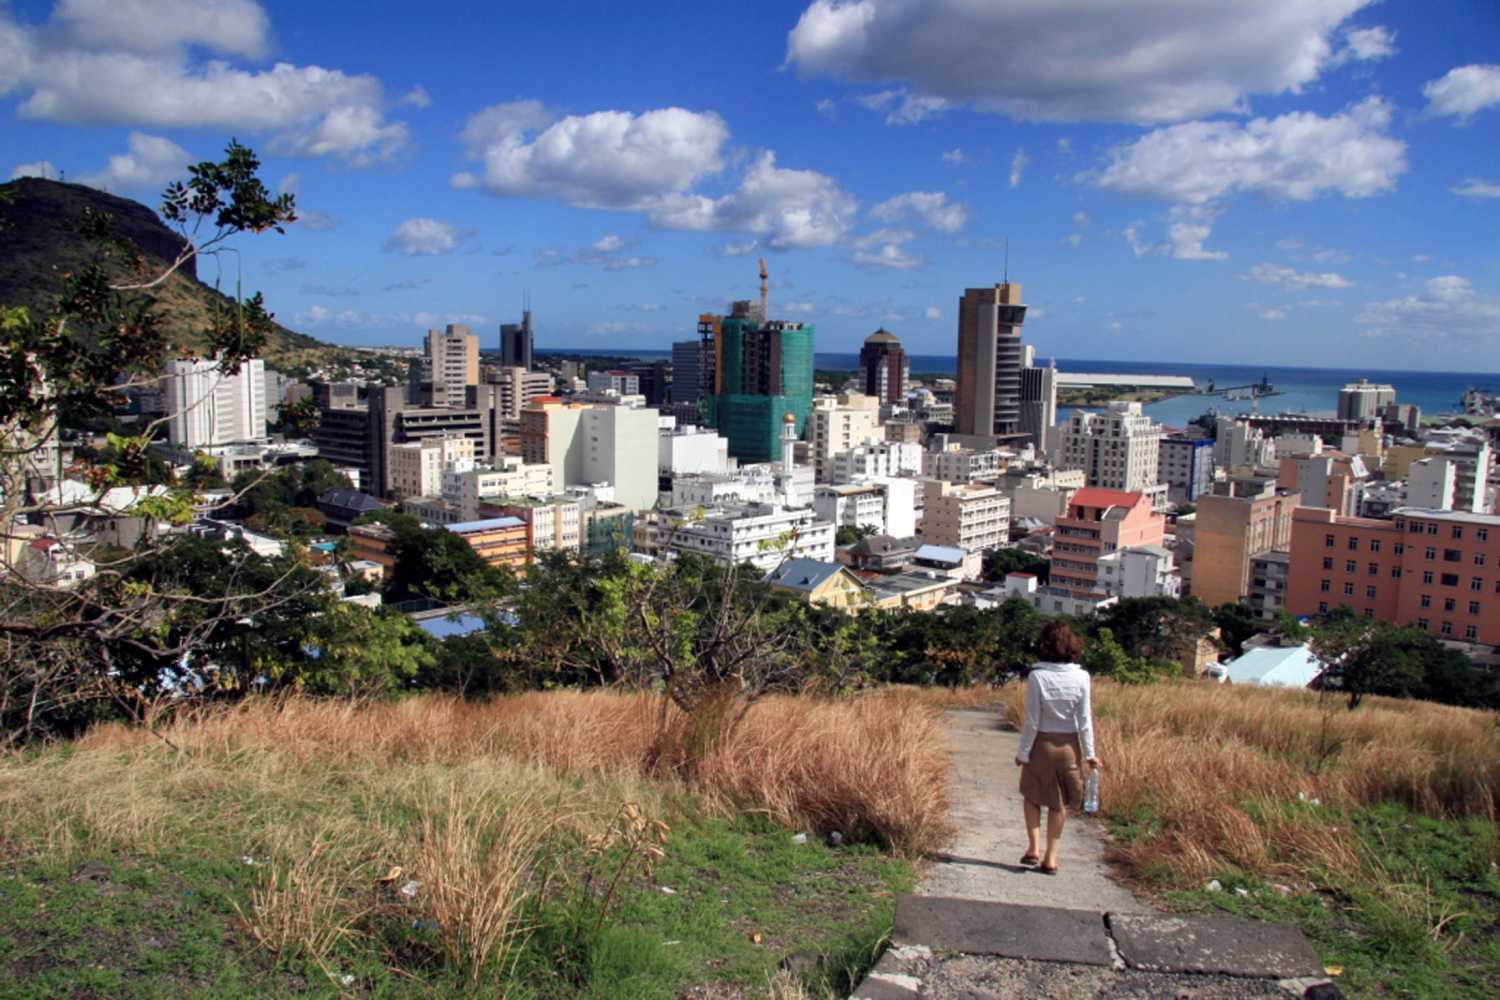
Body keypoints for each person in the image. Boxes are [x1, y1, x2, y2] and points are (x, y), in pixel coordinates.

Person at [1014, 622, 1100, 875]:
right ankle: (1051, 858)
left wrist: (1023, 752)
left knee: (1031, 795)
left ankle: (1033, 848)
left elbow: (1031, 720)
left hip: (1041, 744)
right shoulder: (1082, 677)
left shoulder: (1037, 676)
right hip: (1069, 746)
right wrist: (1090, 754)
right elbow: (1085, 720)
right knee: (1058, 803)